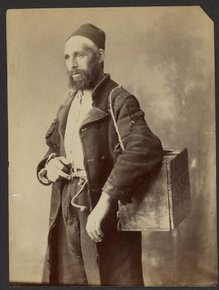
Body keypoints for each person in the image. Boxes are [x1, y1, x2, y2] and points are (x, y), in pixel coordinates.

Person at [37, 23, 163, 286]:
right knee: (66, 280)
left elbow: (145, 147)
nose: (72, 63)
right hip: (65, 209)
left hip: (101, 211)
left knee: (109, 279)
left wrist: (106, 202)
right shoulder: (69, 101)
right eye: (67, 57)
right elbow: (53, 148)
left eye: (80, 55)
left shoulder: (118, 99)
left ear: (101, 56)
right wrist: (50, 165)